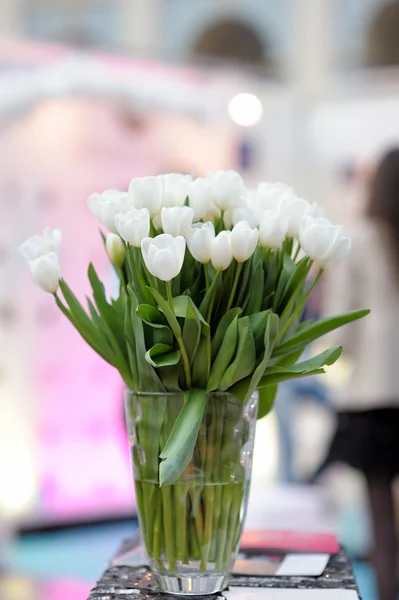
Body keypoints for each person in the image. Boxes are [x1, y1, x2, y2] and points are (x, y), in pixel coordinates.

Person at [317, 149, 399, 600]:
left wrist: (326, 361)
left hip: (373, 396)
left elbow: (341, 327)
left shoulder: (360, 239)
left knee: (381, 521)